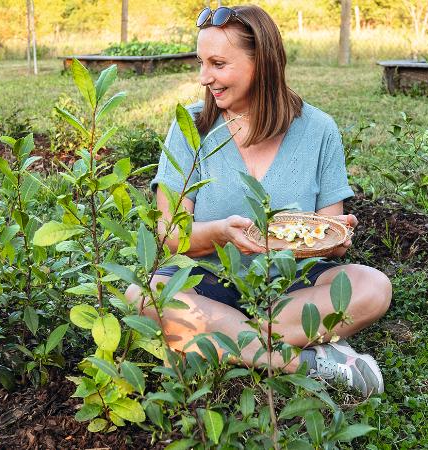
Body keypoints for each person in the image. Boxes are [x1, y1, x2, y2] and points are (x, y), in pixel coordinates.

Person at [126, 5, 392, 397]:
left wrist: (334, 240)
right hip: (209, 282)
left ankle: (219, 341)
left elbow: (326, 232)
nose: (205, 77)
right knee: (140, 294)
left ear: (263, 62)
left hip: (289, 286)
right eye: (202, 62)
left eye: (218, 63)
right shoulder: (190, 126)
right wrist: (222, 234)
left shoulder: (319, 130)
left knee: (373, 286)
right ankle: (305, 360)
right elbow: (169, 233)